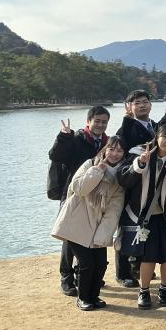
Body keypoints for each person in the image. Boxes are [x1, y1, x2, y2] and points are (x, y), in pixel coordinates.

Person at [51, 135, 127, 310]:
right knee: (86, 263)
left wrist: (103, 234)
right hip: (75, 222)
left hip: (97, 225)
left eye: (119, 151)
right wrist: (97, 171)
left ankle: (93, 296)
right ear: (105, 150)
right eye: (111, 149)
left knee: (100, 264)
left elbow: (114, 209)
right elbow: (79, 189)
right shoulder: (89, 164)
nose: (115, 153)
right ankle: (83, 298)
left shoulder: (119, 178)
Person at [118, 123, 166, 310]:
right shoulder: (139, 153)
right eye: (165, 136)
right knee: (148, 256)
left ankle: (164, 289)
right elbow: (124, 180)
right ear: (157, 136)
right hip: (144, 215)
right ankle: (144, 291)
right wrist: (140, 164)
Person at [48, 105, 110, 296]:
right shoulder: (76, 139)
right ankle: (66, 277)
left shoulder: (107, 143)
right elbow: (55, 156)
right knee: (70, 236)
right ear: (88, 121)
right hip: (73, 194)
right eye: (97, 121)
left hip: (96, 198)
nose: (100, 125)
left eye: (104, 122)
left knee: (91, 235)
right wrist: (63, 136)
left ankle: (83, 274)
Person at [115, 90, 157, 287]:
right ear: (129, 107)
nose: (142, 105)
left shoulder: (156, 126)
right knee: (126, 226)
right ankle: (122, 272)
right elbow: (119, 152)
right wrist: (127, 120)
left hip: (150, 184)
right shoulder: (125, 128)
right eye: (137, 103)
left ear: (150, 105)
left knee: (144, 225)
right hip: (132, 183)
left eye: (145, 101)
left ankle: (139, 265)